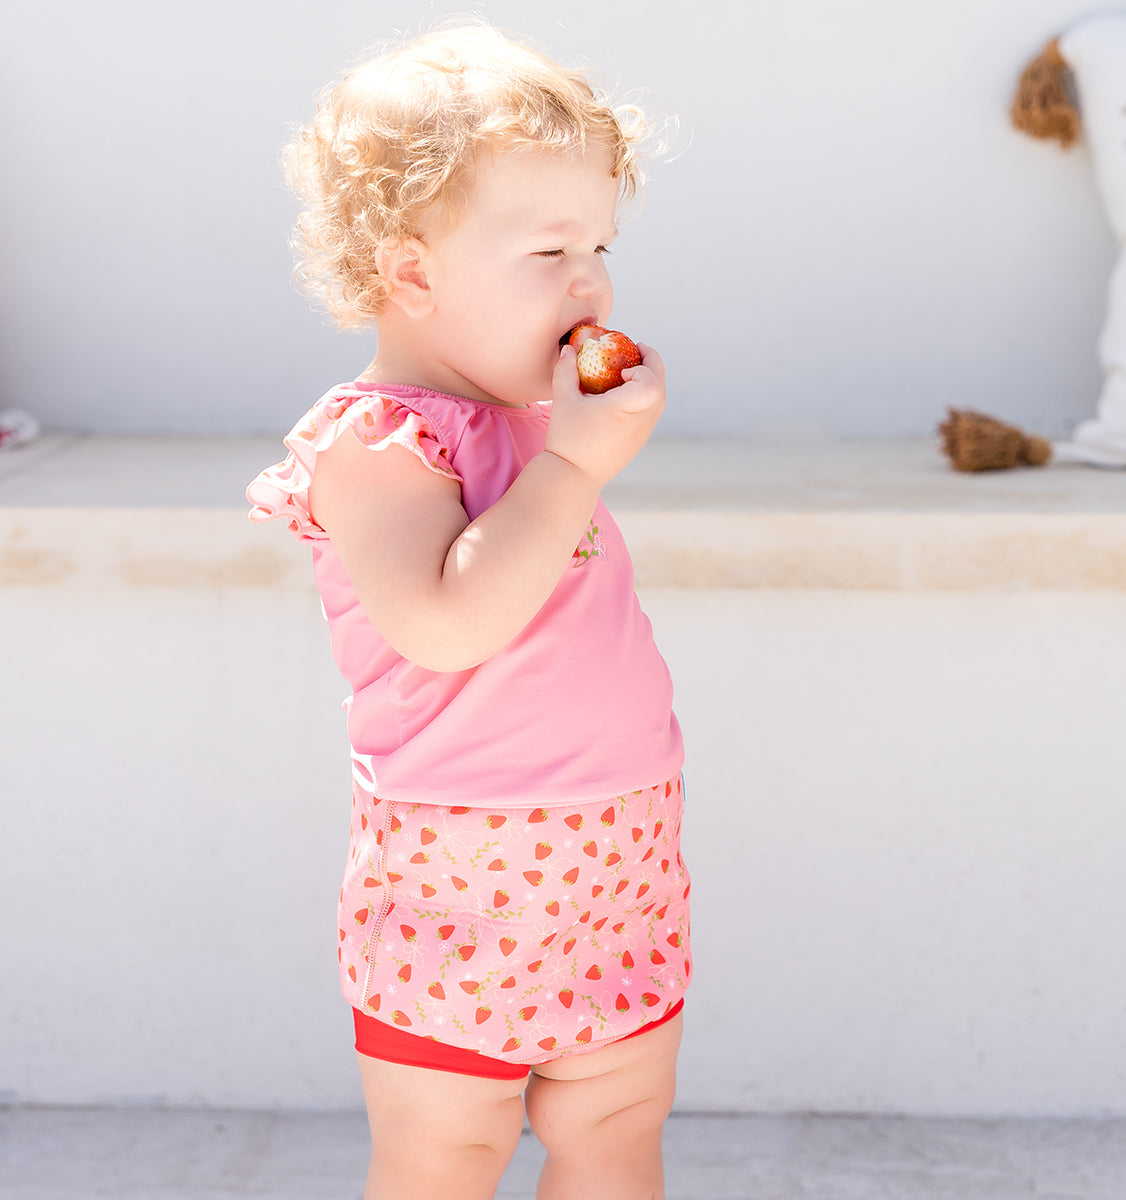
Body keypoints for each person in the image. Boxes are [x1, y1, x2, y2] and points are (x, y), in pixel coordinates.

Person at [246, 20, 690, 1200]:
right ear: (412, 274)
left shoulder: (543, 426)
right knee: (448, 1149)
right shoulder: (378, 443)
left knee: (619, 1125)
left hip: (620, 843)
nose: (590, 282)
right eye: (549, 250)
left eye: (599, 244)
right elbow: (446, 626)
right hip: (463, 862)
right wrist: (576, 467)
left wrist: (572, 450)